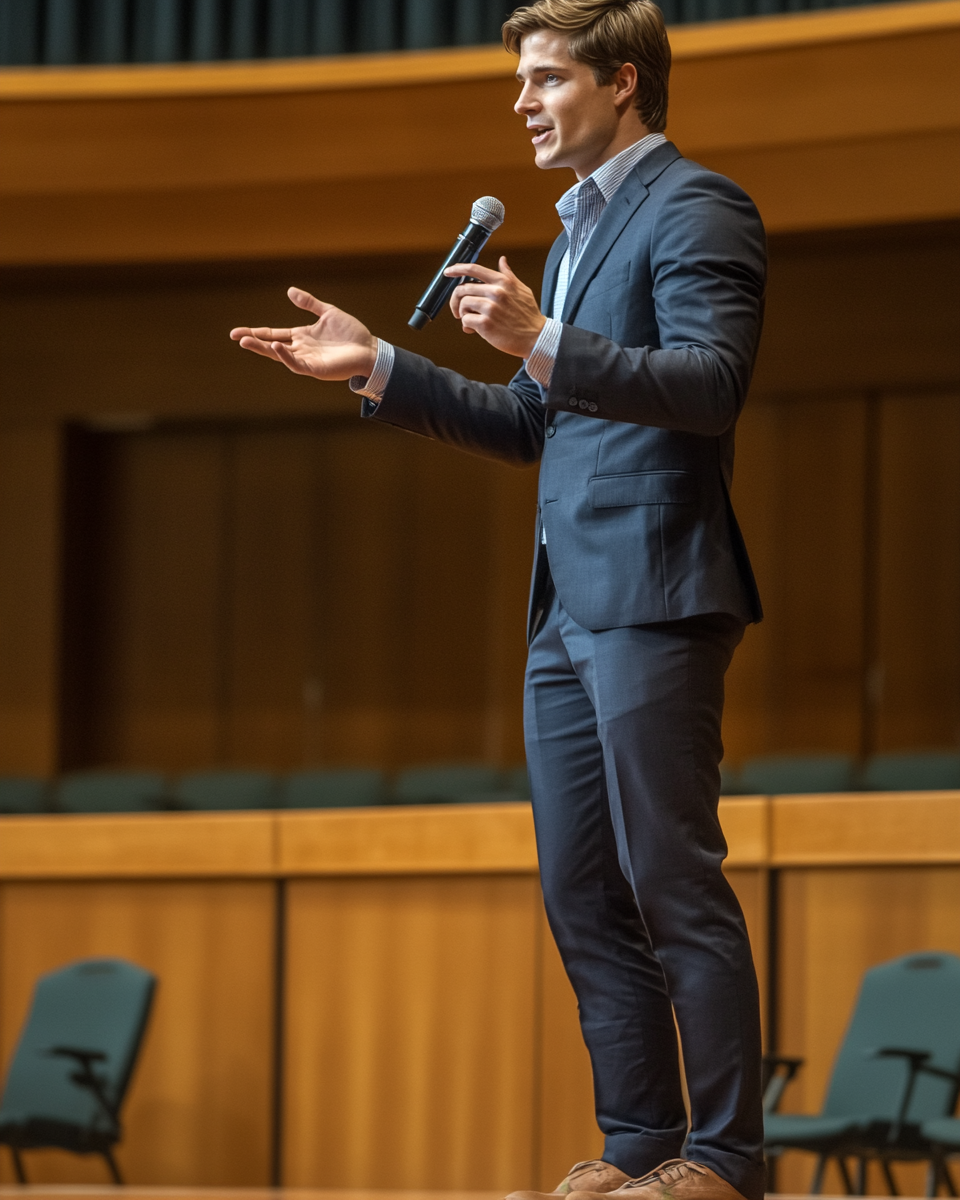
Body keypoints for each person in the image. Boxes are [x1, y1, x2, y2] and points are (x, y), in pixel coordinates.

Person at [230, 3, 767, 1199]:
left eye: (543, 78)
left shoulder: (697, 206)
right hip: (561, 612)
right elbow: (536, 420)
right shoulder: (576, 235)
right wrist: (377, 366)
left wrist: (544, 334)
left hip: (656, 593)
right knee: (581, 887)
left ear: (622, 82)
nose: (522, 102)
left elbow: (711, 384)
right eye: (517, 82)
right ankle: (637, 1148)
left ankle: (725, 1160)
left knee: (670, 874)